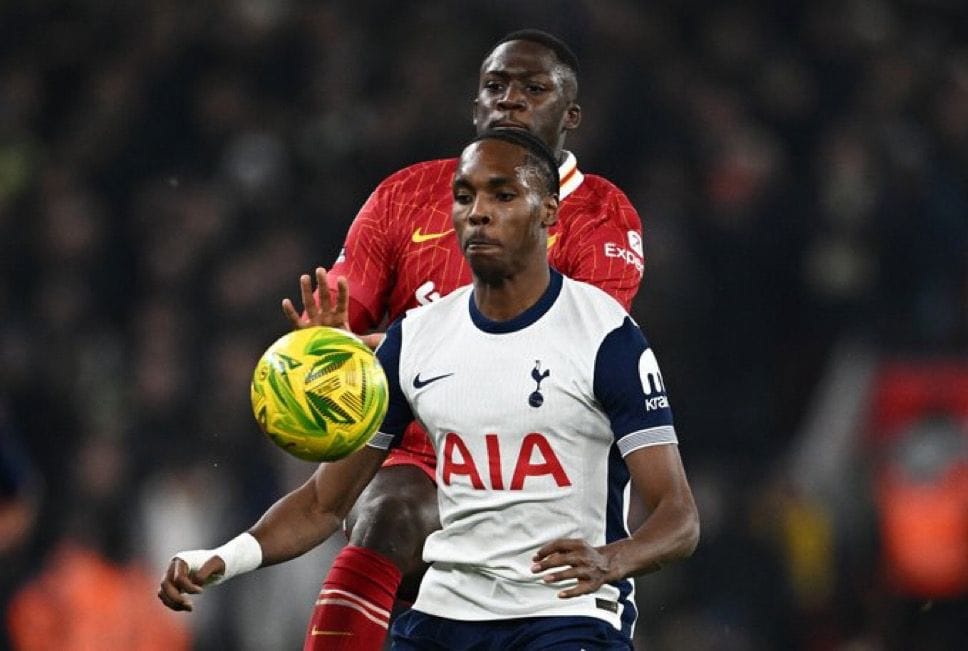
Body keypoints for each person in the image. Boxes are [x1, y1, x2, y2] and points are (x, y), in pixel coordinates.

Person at [158, 128, 699, 650]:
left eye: (503, 195)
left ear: (549, 213)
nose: (478, 212)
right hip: (447, 619)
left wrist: (613, 560)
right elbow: (324, 503)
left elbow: (679, 517)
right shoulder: (416, 339)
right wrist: (225, 558)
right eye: (464, 197)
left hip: (562, 617)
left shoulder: (604, 335)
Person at [284, 29, 647, 650]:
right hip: (416, 453)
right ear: (475, 105)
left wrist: (389, 345)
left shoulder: (604, 218)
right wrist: (330, 348)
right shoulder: (403, 196)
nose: (510, 100)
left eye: (533, 89)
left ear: (571, 115)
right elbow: (346, 325)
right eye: (495, 87)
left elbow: (565, 351)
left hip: (538, 471)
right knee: (389, 509)